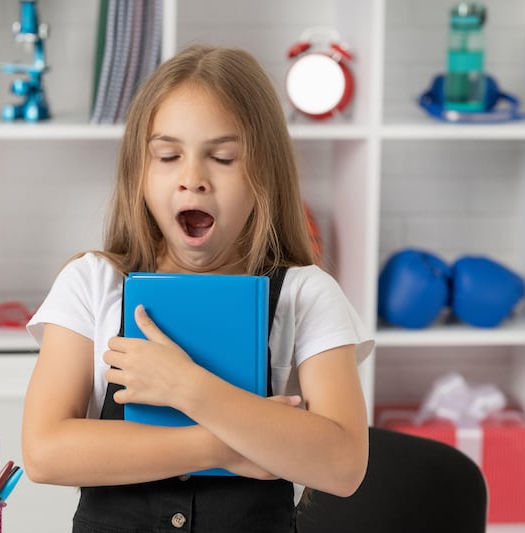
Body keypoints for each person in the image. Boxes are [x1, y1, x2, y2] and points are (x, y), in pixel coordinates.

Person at [23, 44, 374, 532]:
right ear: (139, 174)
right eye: (168, 156)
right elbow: (45, 452)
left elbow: (342, 465)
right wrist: (223, 444)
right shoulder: (90, 283)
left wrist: (187, 387)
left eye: (223, 158)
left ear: (264, 176)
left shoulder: (306, 296)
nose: (193, 179)